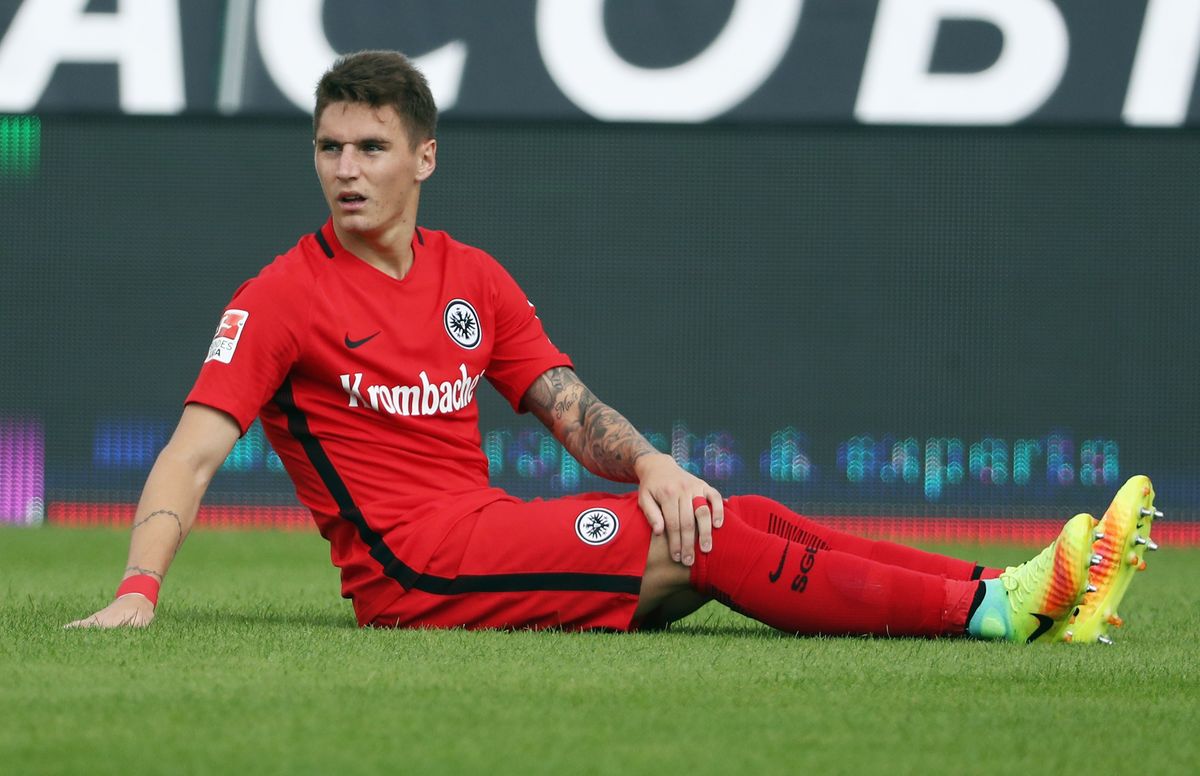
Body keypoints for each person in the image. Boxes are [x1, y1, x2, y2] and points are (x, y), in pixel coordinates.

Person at [67, 51, 1160, 644]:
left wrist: (648, 461)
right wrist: (138, 589)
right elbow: (190, 452)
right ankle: (1000, 611)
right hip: (415, 572)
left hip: (481, 530)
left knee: (727, 510)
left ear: (425, 158)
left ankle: (1017, 582)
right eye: (328, 147)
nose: (345, 168)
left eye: (371, 146)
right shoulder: (282, 295)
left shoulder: (470, 275)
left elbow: (563, 401)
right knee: (704, 544)